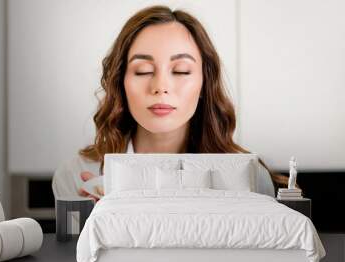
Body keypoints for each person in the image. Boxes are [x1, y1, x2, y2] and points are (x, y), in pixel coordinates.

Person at [52, 5, 289, 203]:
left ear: (204, 84)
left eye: (181, 71)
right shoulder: (77, 177)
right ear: (120, 82)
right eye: (143, 71)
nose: (161, 86)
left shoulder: (249, 177)